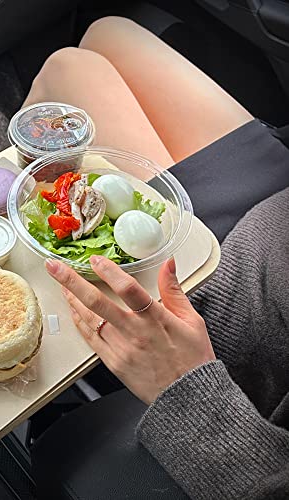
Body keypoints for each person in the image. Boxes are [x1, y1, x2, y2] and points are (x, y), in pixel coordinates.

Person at [25, 17, 289, 499]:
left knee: (65, 72)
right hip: (277, 206)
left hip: (218, 301)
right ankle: (32, 192)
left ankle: (35, 201)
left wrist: (187, 386)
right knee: (106, 34)